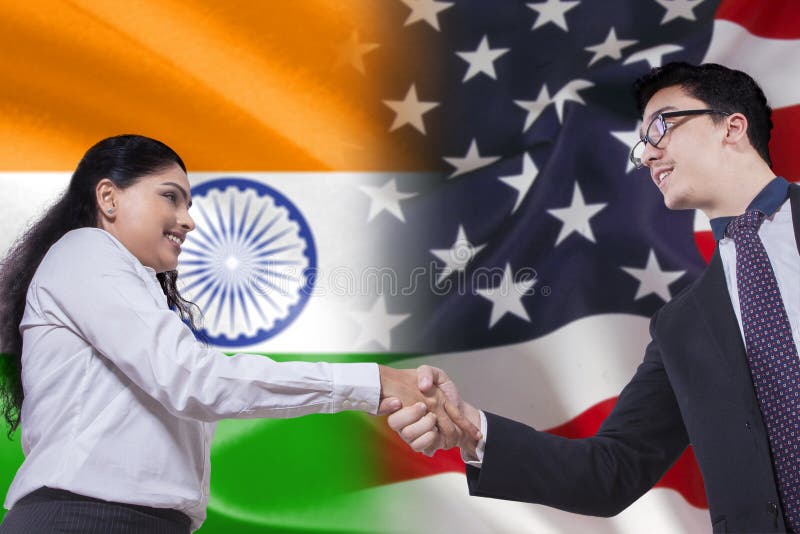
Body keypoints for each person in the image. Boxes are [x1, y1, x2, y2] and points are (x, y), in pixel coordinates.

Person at [388, 62, 800, 533]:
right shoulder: (682, 325)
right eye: (642, 143)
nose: (647, 155)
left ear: (732, 126)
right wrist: (472, 429)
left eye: (662, 125)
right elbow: (610, 471)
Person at [0, 134, 478, 533]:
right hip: (84, 520)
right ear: (108, 198)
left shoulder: (126, 290)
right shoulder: (86, 251)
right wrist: (371, 383)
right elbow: (195, 380)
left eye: (188, 203)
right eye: (170, 196)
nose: (188, 219)